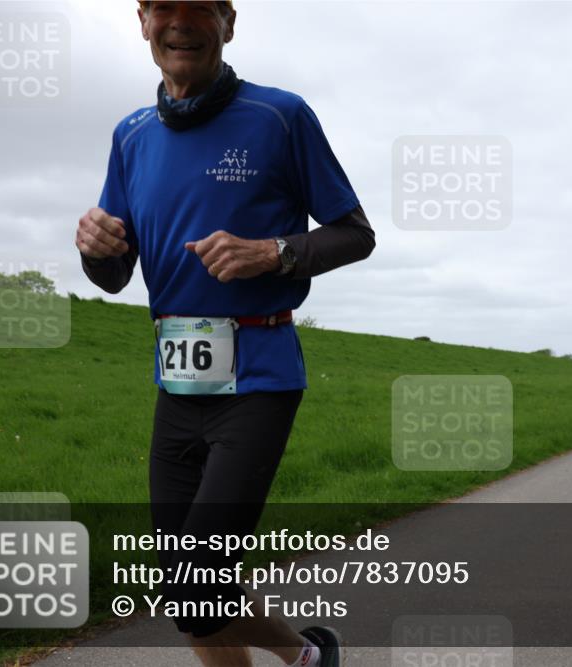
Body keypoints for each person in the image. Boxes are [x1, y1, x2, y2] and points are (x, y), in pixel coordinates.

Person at [74, 2, 374, 665]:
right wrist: (94, 249)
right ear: (143, 19)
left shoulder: (280, 115)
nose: (181, 23)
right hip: (177, 386)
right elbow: (115, 273)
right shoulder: (131, 135)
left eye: (199, 8)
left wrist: (273, 251)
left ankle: (308, 655)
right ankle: (308, 660)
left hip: (260, 377)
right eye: (165, 7)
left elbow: (356, 234)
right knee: (191, 599)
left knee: (197, 583)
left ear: (228, 22)